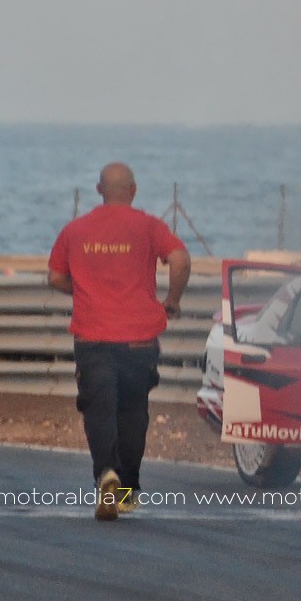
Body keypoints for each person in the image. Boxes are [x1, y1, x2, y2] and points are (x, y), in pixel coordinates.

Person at [48, 162, 191, 520]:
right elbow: (180, 258)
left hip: (93, 337)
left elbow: (54, 277)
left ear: (99, 191)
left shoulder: (75, 230)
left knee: (98, 409)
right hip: (139, 340)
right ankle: (127, 489)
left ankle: (106, 475)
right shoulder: (148, 226)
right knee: (132, 411)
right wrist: (172, 300)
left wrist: (83, 289)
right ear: (134, 190)